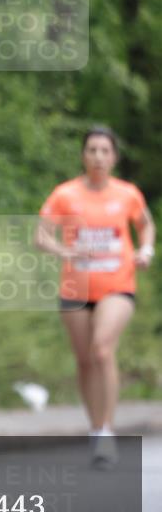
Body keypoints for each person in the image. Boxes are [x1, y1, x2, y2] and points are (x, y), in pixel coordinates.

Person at [36, 126, 155, 468]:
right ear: (83, 155)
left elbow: (145, 224)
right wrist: (67, 251)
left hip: (118, 285)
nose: (99, 157)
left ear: (114, 157)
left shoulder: (128, 194)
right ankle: (96, 428)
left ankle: (106, 430)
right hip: (75, 289)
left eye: (105, 150)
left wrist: (146, 249)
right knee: (85, 360)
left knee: (103, 349)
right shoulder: (65, 194)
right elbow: (41, 236)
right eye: (92, 150)